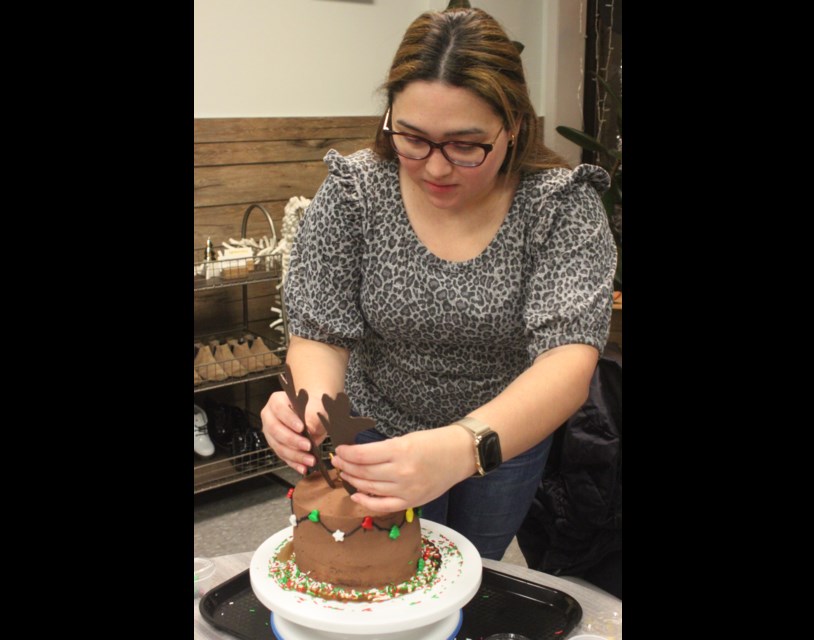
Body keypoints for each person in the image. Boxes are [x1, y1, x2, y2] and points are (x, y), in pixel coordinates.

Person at [260, 6, 616, 562]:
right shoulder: (356, 194)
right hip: (375, 427)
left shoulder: (559, 206)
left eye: (465, 145)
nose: (436, 169)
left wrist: (463, 447)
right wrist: (312, 411)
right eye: (413, 138)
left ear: (514, 125)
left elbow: (567, 361)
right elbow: (319, 332)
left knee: (471, 572)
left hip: (504, 437)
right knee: (384, 578)